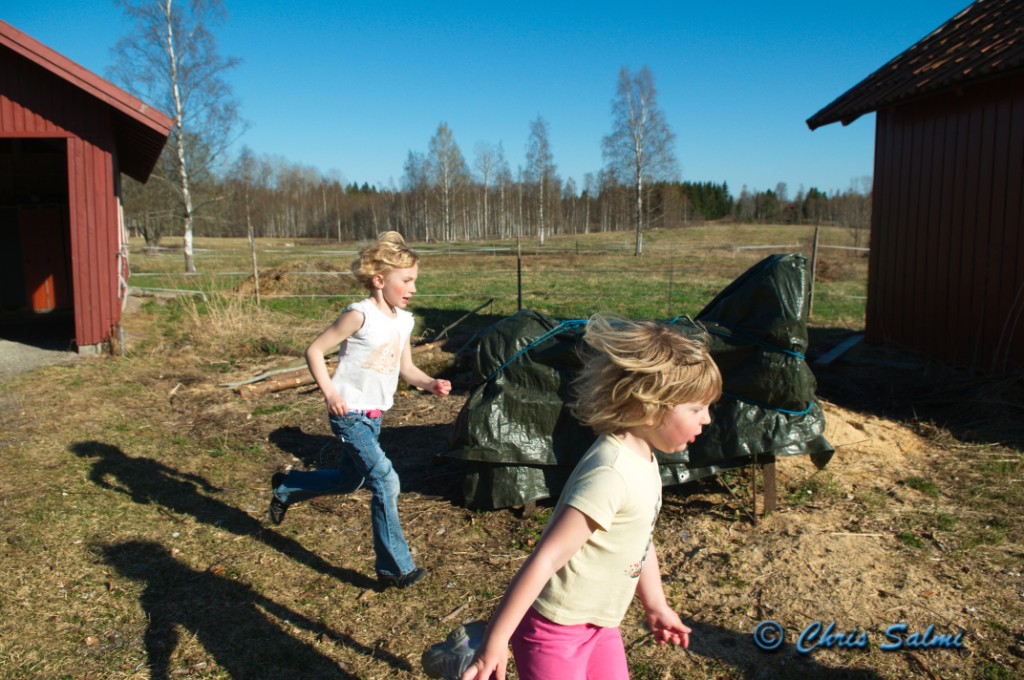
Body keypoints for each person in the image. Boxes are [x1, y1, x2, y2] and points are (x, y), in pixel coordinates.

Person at [460, 316, 722, 680]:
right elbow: (546, 559)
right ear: (649, 406)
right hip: (554, 632)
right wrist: (496, 641)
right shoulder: (610, 474)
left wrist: (657, 605)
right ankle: (472, 650)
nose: (706, 419)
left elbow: (639, 538)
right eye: (696, 409)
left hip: (601, 625)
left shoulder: (644, 459)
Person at [267, 231, 451, 589]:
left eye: (415, 280)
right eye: (407, 280)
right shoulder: (359, 314)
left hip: (374, 416)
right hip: (348, 415)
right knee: (385, 480)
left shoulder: (405, 320)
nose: (413, 287)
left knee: (347, 480)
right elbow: (315, 351)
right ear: (380, 280)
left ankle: (288, 486)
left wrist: (429, 383)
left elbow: (405, 368)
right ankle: (394, 567)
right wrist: (331, 393)